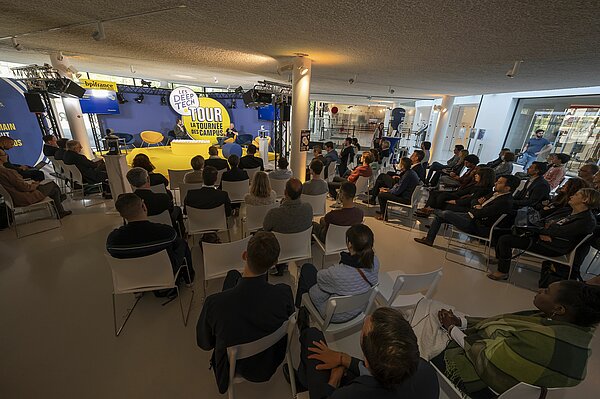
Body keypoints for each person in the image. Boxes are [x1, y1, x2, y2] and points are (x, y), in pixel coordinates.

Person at [435, 281, 600, 397]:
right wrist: (461, 322)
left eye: (547, 291)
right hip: (517, 388)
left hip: (484, 385)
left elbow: (485, 356)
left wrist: (451, 328)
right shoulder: (572, 334)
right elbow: (501, 324)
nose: (540, 290)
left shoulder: (539, 342)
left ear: (559, 308)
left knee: (423, 336)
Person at [196, 231, 294, 394]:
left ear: (244, 255)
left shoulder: (215, 304)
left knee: (232, 275)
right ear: (274, 263)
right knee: (233, 275)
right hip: (271, 358)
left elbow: (204, 343)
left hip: (236, 365)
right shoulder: (284, 293)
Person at [294, 307, 439, 399]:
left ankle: (302, 378)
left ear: (368, 362)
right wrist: (343, 358)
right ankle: (302, 377)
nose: (365, 318)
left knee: (312, 335)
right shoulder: (427, 373)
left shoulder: (350, 395)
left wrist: (334, 380)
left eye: (364, 331)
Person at [489, 188, 600, 281]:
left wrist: (543, 230)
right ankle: (501, 258)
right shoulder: (568, 211)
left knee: (506, 239)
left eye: (576, 195)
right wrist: (544, 229)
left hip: (554, 246)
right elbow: (546, 220)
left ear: (585, 199)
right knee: (504, 231)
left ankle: (502, 271)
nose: (571, 196)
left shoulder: (586, 221)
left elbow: (558, 232)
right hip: (546, 238)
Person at [296, 224, 379, 322]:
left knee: (307, 268)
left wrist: (333, 270)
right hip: (357, 309)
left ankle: (299, 308)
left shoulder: (337, 273)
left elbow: (320, 278)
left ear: (349, 244)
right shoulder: (375, 262)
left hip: (334, 315)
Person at [106, 193, 194, 283]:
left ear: (122, 215)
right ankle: (189, 279)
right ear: (144, 206)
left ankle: (137, 291)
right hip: (163, 272)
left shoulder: (113, 241)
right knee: (182, 243)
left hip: (133, 277)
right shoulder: (166, 232)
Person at [414, 175, 520, 247]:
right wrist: (477, 205)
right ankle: (429, 239)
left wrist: (479, 207)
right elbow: (475, 201)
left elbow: (481, 213)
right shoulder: (494, 193)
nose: (496, 183)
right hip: (470, 216)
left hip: (478, 226)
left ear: (507, 188)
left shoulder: (504, 201)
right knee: (440, 216)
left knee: (446, 213)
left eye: (500, 182)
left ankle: (432, 210)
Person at [0, 148, 71, 218]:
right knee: (52, 184)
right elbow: (25, 187)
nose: (7, 155)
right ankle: (60, 202)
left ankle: (60, 209)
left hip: (13, 198)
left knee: (54, 190)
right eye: (5, 154)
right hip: (23, 197)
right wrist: (35, 184)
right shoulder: (8, 172)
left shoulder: (3, 171)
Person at [263, 178, 313, 276]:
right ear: (301, 193)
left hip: (280, 249)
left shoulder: (274, 213)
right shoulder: (308, 208)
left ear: (285, 192)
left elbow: (265, 228)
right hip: (300, 248)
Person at [126, 167, 185, 236]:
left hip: (143, 232)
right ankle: (181, 234)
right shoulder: (163, 198)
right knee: (177, 209)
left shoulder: (129, 202)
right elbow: (171, 210)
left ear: (131, 183)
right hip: (166, 229)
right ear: (148, 179)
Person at [416, 167, 495, 217]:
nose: (475, 175)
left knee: (442, 197)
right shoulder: (476, 184)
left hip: (463, 202)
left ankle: (430, 209)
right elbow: (463, 190)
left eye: (478, 174)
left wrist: (455, 201)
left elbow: (471, 199)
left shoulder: (484, 189)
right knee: (435, 193)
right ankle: (428, 208)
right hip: (459, 195)